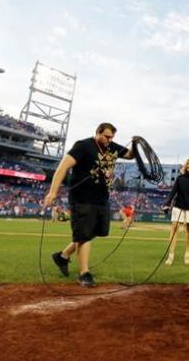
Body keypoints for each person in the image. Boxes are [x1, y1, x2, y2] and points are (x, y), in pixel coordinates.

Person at [43, 122, 135, 287]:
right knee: (84, 234)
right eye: (106, 136)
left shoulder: (112, 147)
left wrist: (136, 143)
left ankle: (62, 256)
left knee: (94, 232)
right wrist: (52, 192)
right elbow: (62, 168)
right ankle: (84, 273)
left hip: (101, 198)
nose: (109, 140)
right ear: (98, 133)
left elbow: (130, 155)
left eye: (112, 137)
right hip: (81, 198)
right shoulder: (83, 146)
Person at [162, 158, 189, 265]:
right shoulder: (180, 178)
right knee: (174, 228)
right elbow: (172, 192)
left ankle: (187, 254)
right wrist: (167, 204)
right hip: (178, 206)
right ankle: (171, 255)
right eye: (188, 163)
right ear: (186, 165)